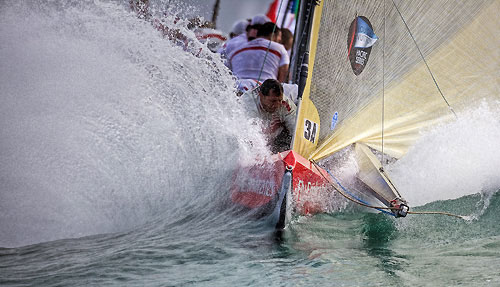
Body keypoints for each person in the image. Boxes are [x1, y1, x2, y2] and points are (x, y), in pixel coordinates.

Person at [241, 79, 296, 152]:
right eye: (273, 101)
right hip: (248, 141)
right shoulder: (248, 104)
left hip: (278, 140)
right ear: (261, 96)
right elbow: (249, 138)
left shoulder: (286, 104)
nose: (277, 105)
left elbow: (297, 132)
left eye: (279, 100)